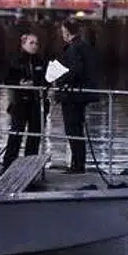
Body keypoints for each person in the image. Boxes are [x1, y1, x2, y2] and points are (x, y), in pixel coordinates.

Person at [50, 19, 99, 174]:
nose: (62, 34)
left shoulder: (74, 48)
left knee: (72, 130)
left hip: (72, 96)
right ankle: (78, 163)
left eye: (63, 31)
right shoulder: (85, 47)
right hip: (82, 94)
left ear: (67, 31)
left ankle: (77, 165)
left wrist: (60, 80)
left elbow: (75, 70)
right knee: (77, 131)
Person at [1, 30, 49, 168]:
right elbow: (7, 79)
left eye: (36, 43)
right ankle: (8, 166)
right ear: (23, 44)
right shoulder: (15, 60)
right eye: (31, 43)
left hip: (36, 103)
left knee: (34, 138)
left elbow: (46, 80)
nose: (34, 46)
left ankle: (29, 168)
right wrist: (19, 84)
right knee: (15, 136)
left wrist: (42, 85)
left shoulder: (41, 60)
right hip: (20, 103)